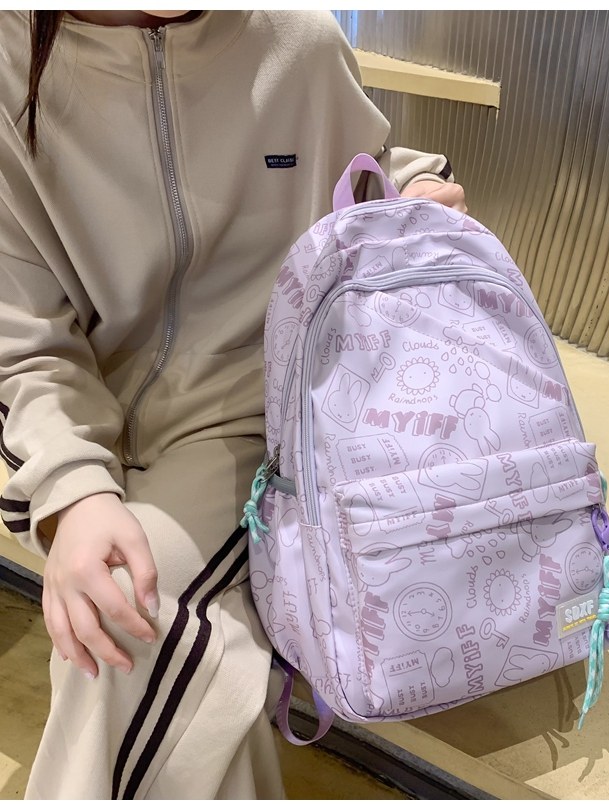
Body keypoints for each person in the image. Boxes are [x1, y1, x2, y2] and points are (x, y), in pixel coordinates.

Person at [0, 10, 465, 799]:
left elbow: (367, 171)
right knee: (153, 654)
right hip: (83, 418)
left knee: (133, 629)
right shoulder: (11, 68)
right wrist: (72, 489)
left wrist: (414, 198)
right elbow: (21, 336)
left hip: (263, 417)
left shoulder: (297, 39)